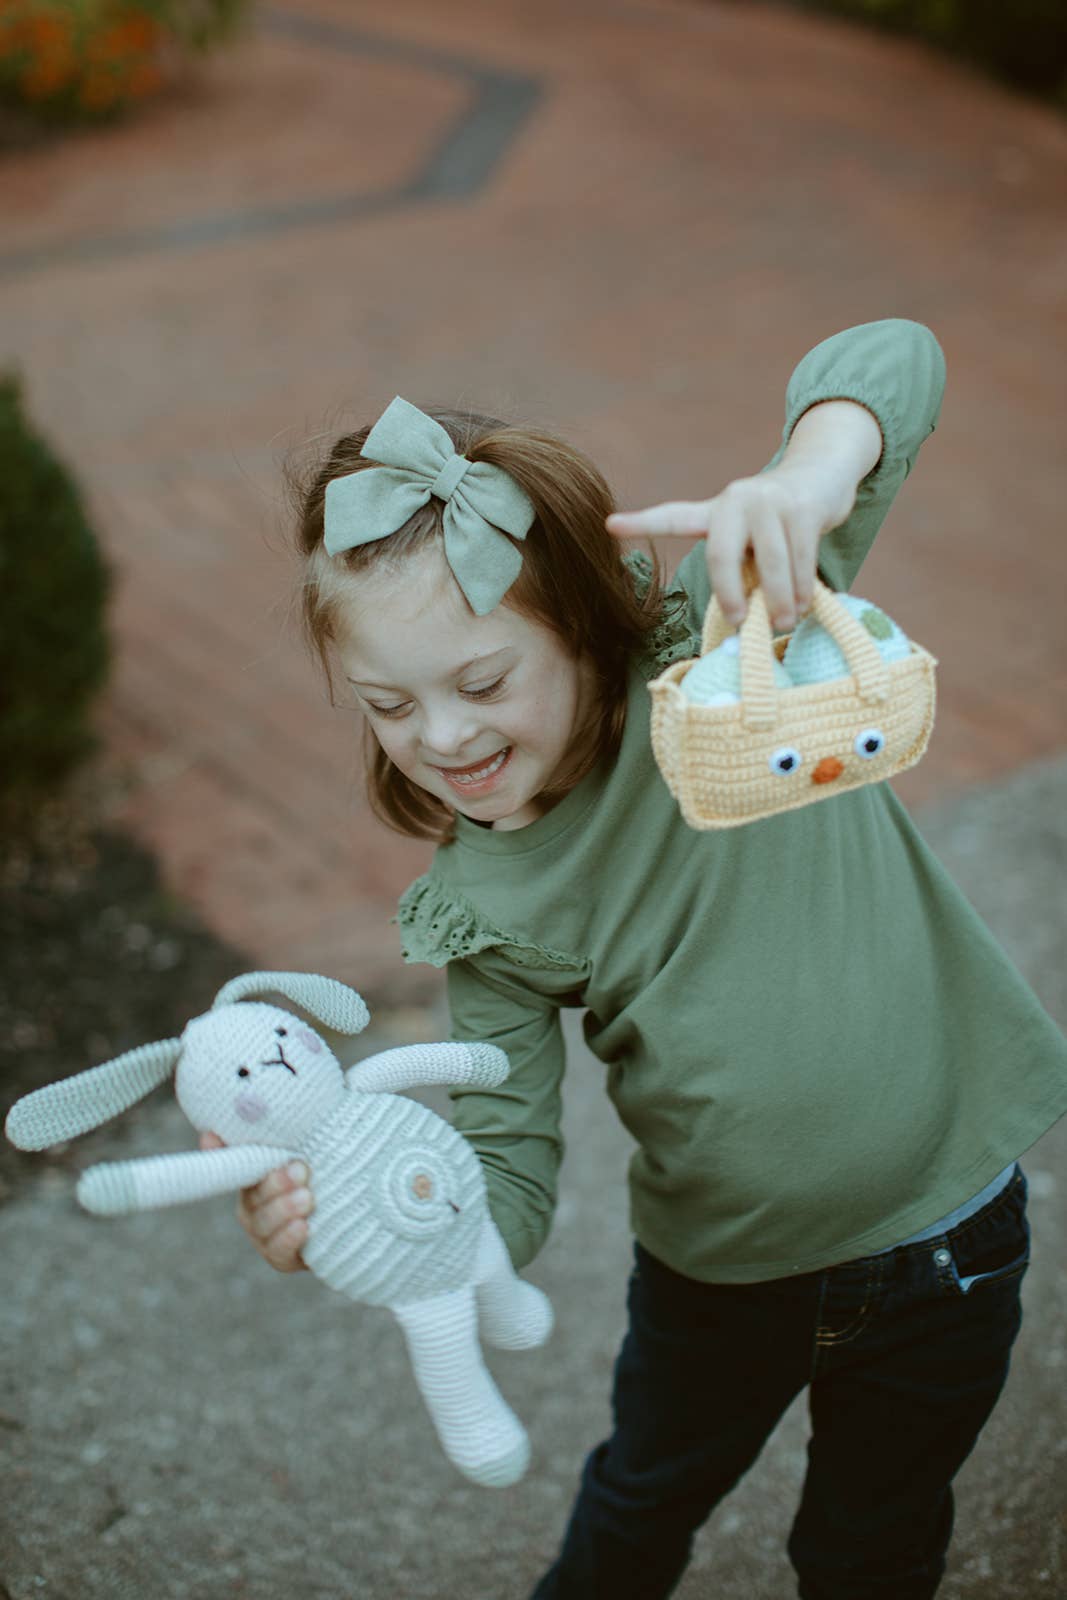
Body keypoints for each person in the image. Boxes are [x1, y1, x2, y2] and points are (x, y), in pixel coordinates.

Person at [205, 320, 1067, 1599]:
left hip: (948, 1233)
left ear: (581, 626)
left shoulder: (730, 663)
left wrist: (807, 479)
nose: (440, 735)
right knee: (634, 1510)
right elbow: (503, 1175)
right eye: (387, 706)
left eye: (483, 679)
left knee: (871, 1545)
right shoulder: (481, 906)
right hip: (715, 1282)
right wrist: (363, 1223)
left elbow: (897, 357)